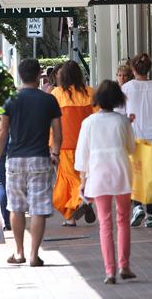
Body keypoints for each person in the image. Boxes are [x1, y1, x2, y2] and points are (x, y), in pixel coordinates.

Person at [0, 58, 62, 267]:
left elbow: (1, 132)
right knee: (38, 209)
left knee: (16, 207)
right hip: (40, 158)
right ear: (39, 75)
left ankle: (19, 252)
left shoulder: (10, 100)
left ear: (20, 75)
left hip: (15, 159)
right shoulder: (49, 100)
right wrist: (55, 153)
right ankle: (33, 255)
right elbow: (57, 132)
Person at [75, 80, 137, 285]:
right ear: (118, 99)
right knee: (123, 220)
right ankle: (124, 265)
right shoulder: (122, 122)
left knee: (105, 224)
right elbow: (131, 149)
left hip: (98, 174)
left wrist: (82, 181)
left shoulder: (89, 122)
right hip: (121, 173)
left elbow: (82, 156)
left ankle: (110, 271)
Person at [121, 53, 152, 228]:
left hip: (134, 136)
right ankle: (150, 215)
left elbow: (121, 113)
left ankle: (137, 206)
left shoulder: (126, 88)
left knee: (135, 173)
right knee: (151, 175)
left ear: (132, 69)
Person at [51, 60, 96, 226]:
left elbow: (51, 122)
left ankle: (81, 200)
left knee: (67, 179)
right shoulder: (90, 92)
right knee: (78, 177)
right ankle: (69, 217)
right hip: (87, 144)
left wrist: (51, 146)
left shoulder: (56, 93)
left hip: (64, 144)